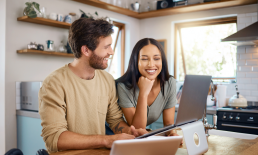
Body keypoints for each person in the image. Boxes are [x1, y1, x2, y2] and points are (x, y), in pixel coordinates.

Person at [38, 18, 147, 154]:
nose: (111, 52)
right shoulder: (54, 83)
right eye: (106, 47)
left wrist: (130, 132)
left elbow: (115, 121)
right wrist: (106, 140)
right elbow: (55, 138)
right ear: (86, 50)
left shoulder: (107, 80)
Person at [116, 38, 180, 137]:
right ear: (136, 61)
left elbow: (168, 124)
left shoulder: (169, 83)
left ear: (162, 60)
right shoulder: (123, 86)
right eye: (145, 59)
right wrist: (143, 93)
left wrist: (172, 133)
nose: (151, 64)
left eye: (156, 58)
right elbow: (137, 130)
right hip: (114, 136)